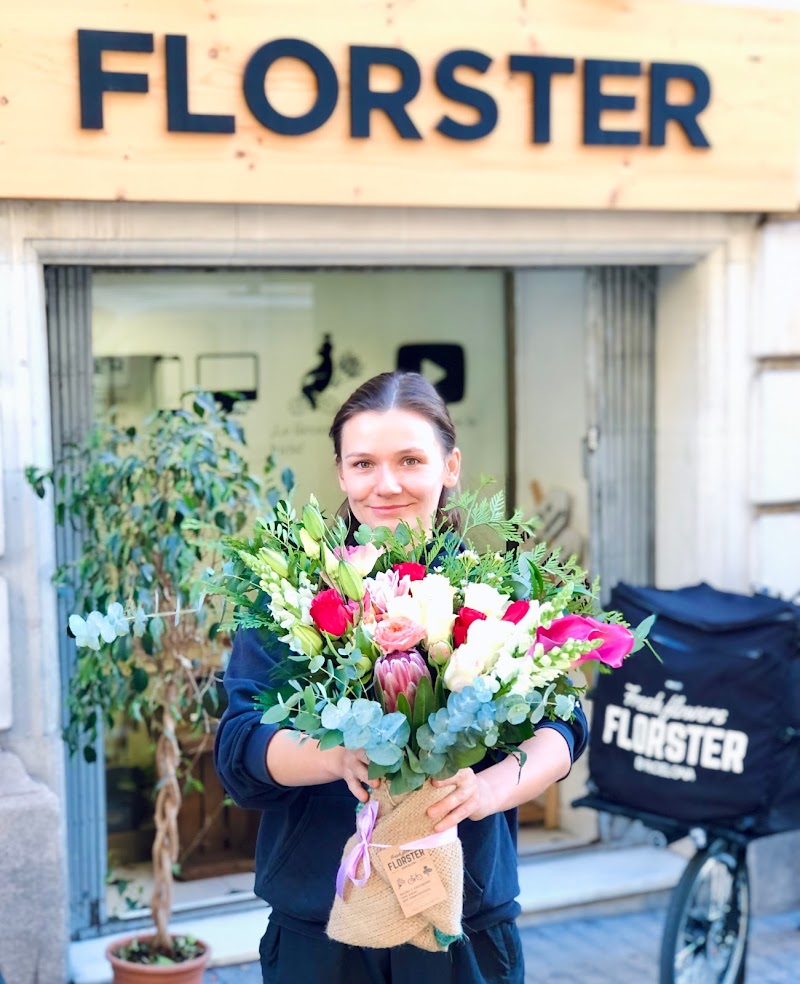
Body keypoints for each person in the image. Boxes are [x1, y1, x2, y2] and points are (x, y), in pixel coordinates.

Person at [214, 371, 588, 984]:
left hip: (459, 925)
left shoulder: (496, 591)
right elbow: (239, 746)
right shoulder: (291, 599)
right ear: (341, 473)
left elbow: (564, 726)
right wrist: (334, 758)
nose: (385, 485)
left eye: (410, 460)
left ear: (450, 467)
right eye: (363, 464)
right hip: (321, 930)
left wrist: (488, 792)